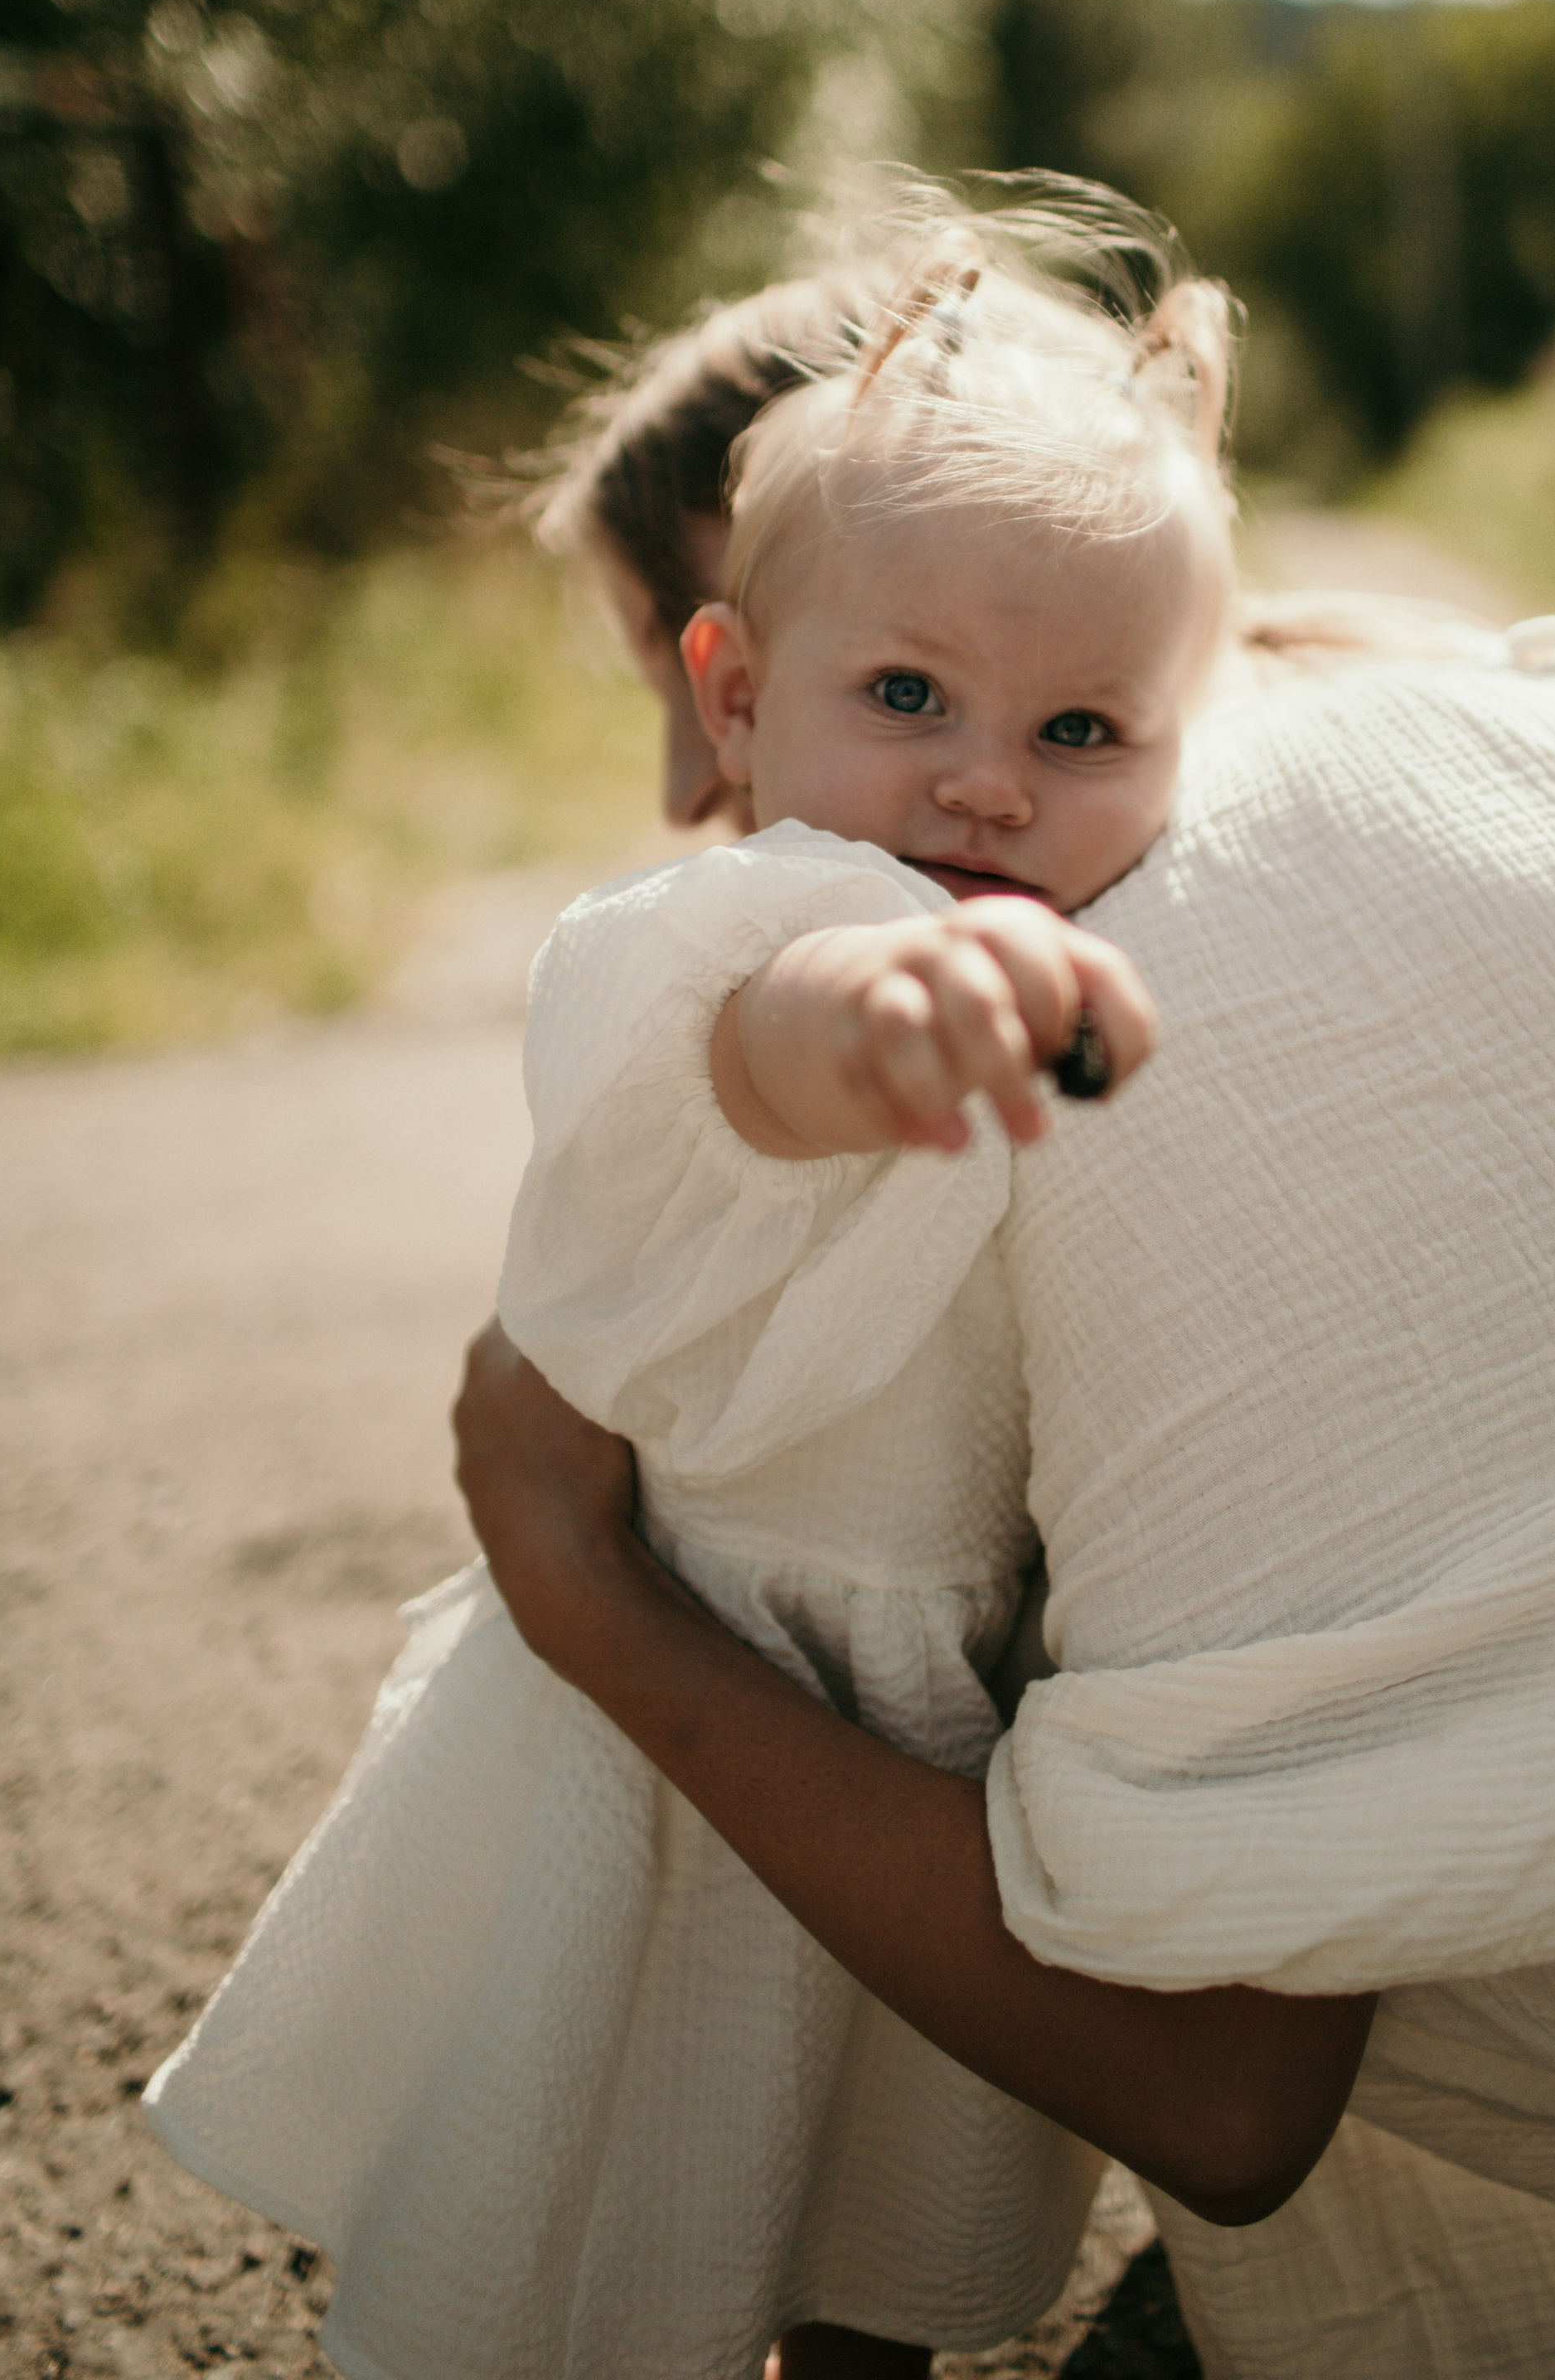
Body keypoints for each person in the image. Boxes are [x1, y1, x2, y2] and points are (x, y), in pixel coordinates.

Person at [450, 211, 1555, 2376]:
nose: (684, 799)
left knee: (1073, 1689)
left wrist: (586, 1587)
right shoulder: (1431, 718)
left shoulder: (1170, 972)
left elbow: (1222, 2087)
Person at [145, 210, 1246, 2380]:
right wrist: (903, 997)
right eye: (906, 696)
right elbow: (774, 1020)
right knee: (575, 2198)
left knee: (871, 2231)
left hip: (939, 1705)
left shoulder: (1060, 831)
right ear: (747, 682)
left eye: (1079, 726)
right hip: (709, 1672)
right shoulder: (790, 920)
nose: (989, 780)